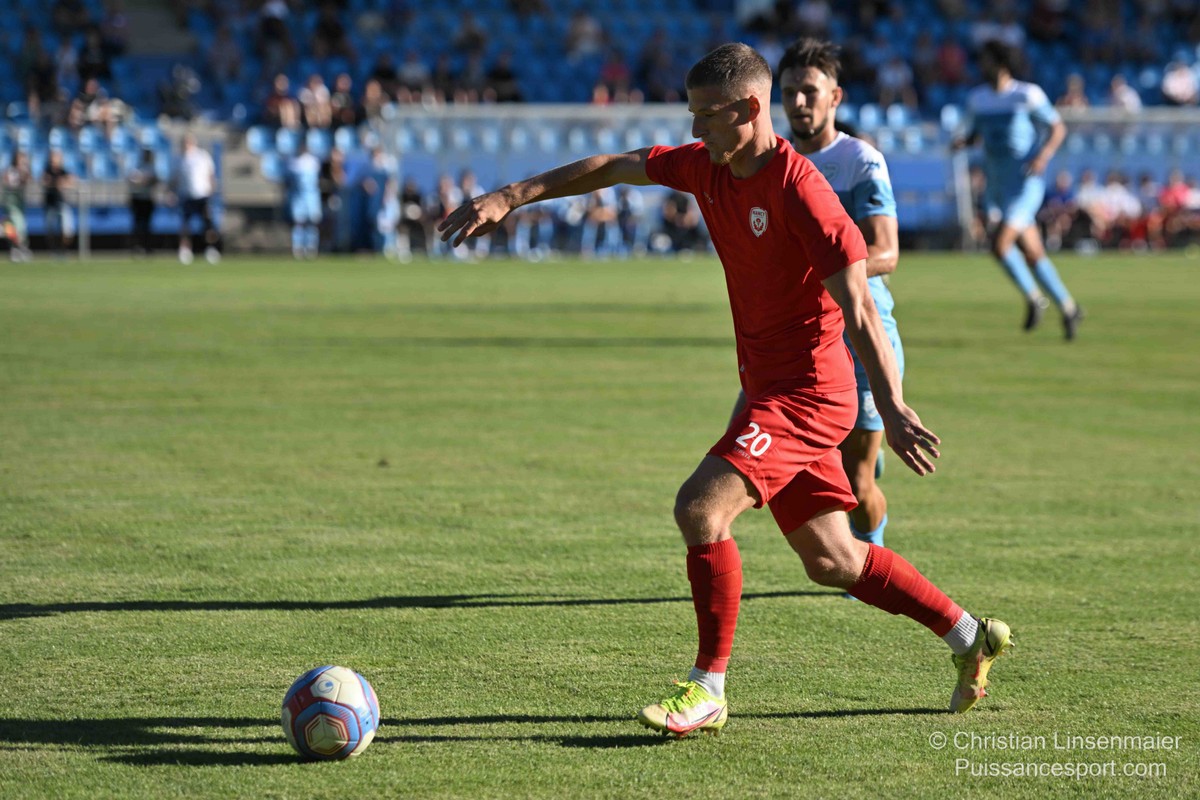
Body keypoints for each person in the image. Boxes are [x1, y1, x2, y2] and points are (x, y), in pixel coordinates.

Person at [438, 43, 1012, 737]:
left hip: (808, 396)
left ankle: (707, 688)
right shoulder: (706, 165)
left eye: (708, 115)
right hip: (770, 388)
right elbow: (615, 166)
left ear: (748, 108)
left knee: (700, 508)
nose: (696, 129)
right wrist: (510, 196)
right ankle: (970, 635)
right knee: (833, 560)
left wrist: (890, 406)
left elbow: (861, 305)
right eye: (692, 114)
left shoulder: (803, 191)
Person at [726, 37, 903, 555]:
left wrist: (812, 269)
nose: (799, 102)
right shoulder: (768, 161)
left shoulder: (859, 160)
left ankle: (870, 550)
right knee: (737, 449)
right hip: (793, 340)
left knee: (858, 485)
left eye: (810, 91)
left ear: (835, 97)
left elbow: (886, 251)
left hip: (860, 333)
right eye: (789, 93)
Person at [952, 40, 1083, 340]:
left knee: (999, 245)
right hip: (997, 184)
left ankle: (1035, 298)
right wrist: (963, 142)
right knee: (1034, 254)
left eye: (986, 60)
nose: (981, 66)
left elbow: (1057, 127)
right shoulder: (979, 99)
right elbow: (975, 135)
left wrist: (1043, 156)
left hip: (1025, 184)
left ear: (1001, 63)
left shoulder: (1027, 94)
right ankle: (1069, 307)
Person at [173, 133, 220, 264]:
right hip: (186, 196)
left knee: (208, 224)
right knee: (185, 225)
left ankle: (211, 248)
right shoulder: (179, 159)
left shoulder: (203, 156)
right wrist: (171, 192)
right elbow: (174, 179)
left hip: (202, 195)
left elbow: (211, 175)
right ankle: (185, 250)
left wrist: (212, 192)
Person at [286, 140, 322, 260]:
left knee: (312, 222)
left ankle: (311, 246)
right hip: (299, 196)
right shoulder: (294, 162)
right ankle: (298, 247)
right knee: (299, 222)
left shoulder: (312, 161)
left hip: (311, 196)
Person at [42, 149, 75, 257]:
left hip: (62, 203)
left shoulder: (63, 171)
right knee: (50, 229)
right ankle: (53, 250)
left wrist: (63, 184)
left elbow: (71, 182)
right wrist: (55, 184)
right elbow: (44, 182)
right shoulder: (47, 171)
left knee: (66, 230)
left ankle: (63, 249)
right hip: (50, 204)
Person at [127, 147, 158, 255]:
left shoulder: (152, 168)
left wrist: (146, 180)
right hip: (137, 198)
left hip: (147, 199)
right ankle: (137, 246)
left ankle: (147, 246)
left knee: (147, 225)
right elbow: (131, 180)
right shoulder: (137, 167)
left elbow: (155, 180)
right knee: (137, 224)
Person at [2, 152, 32, 262]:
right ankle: (17, 248)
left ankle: (19, 248)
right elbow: (9, 184)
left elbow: (28, 180)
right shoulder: (11, 171)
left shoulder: (24, 171)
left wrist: (24, 173)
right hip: (11, 203)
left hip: (20, 202)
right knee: (17, 225)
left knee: (19, 226)